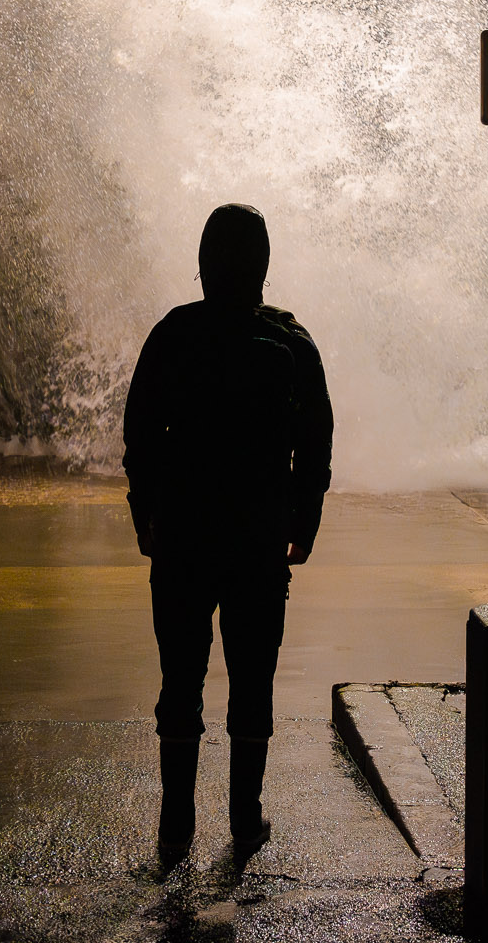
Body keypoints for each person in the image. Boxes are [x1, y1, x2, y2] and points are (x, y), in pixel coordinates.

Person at [123, 203, 334, 864]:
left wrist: (145, 514)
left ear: (203, 265)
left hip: (184, 538)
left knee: (179, 684)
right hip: (257, 542)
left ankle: (175, 827)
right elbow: (315, 447)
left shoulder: (173, 335)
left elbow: (138, 436)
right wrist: (305, 522)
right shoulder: (292, 345)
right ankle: (245, 822)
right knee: (252, 683)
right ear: (264, 268)